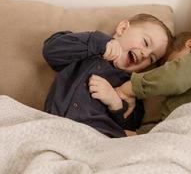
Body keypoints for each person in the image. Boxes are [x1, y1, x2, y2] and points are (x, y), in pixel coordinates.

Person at [42, 13, 173, 138]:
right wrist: (99, 42)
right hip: (56, 126)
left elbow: (133, 124)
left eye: (151, 59)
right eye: (145, 42)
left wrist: (115, 103)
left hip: (98, 139)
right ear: (122, 29)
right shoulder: (86, 49)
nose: (145, 54)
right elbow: (51, 50)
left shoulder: (130, 86)